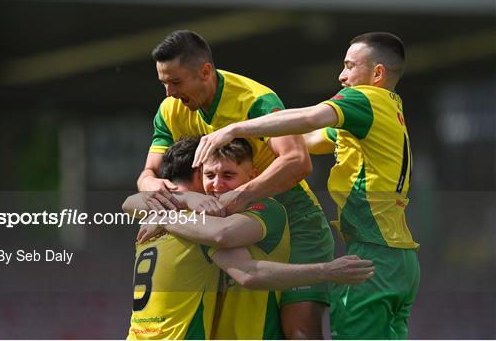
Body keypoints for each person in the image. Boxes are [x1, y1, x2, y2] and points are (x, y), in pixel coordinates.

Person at [192, 32, 421, 339]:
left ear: (377, 73)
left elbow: (309, 118)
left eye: (350, 66)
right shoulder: (386, 113)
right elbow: (309, 140)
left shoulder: (364, 98)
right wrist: (265, 147)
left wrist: (235, 128)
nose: (342, 76)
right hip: (402, 263)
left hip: (373, 255)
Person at [136, 30, 335, 338]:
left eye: (175, 82)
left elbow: (297, 160)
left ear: (205, 72)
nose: (168, 93)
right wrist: (171, 201)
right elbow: (148, 176)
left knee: (299, 333)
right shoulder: (170, 110)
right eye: (163, 82)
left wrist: (236, 197)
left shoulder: (255, 100)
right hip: (226, 218)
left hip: (293, 219)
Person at [126, 137, 374, 339]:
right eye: (209, 175)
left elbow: (226, 239)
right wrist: (184, 202)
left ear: (252, 176)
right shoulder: (197, 224)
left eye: (228, 175)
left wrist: (167, 217)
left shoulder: (267, 209)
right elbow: (244, 269)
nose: (217, 184)